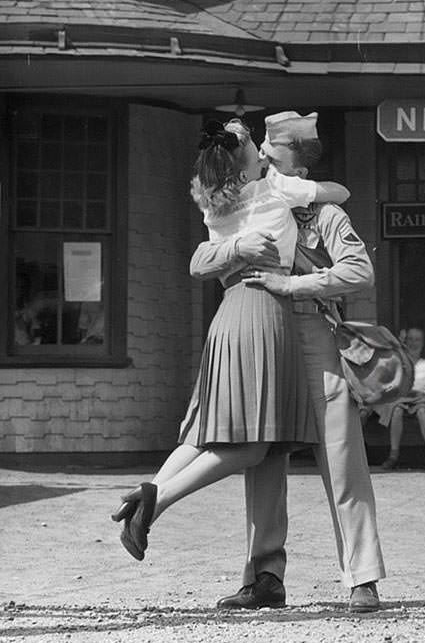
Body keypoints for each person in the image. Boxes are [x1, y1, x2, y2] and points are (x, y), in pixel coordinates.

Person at [110, 118, 349, 562]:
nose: (264, 152)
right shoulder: (275, 189)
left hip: (229, 312)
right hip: (264, 310)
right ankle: (155, 499)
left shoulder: (216, 202)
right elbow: (339, 193)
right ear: (247, 167)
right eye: (257, 150)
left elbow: (205, 257)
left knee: (205, 430)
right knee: (254, 443)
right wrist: (293, 184)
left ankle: (151, 492)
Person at [188, 111, 386, 614]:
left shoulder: (324, 214)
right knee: (265, 453)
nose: (261, 164)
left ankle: (362, 578)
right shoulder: (246, 206)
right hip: (261, 333)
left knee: (341, 453)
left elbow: (359, 271)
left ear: (297, 162)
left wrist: (294, 283)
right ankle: (263, 576)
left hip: (311, 333)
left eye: (271, 156)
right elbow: (207, 258)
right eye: (261, 157)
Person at [377, 327, 425, 471]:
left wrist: (418, 394)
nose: (414, 343)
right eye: (411, 339)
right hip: (401, 400)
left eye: (417, 340)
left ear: (423, 343)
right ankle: (393, 456)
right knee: (396, 410)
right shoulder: (399, 364)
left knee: (422, 411)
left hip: (421, 400)